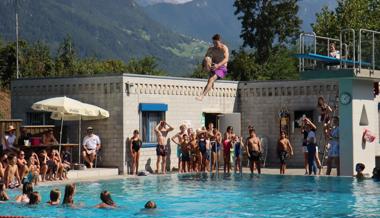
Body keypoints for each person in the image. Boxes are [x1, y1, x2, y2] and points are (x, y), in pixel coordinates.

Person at [196, 34, 229, 101]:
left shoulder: (224, 48)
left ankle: (202, 95)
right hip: (214, 66)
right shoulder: (211, 49)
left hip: (221, 68)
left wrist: (218, 65)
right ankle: (211, 77)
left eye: (216, 43)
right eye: (213, 43)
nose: (215, 45)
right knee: (207, 58)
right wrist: (203, 66)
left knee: (211, 80)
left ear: (220, 41)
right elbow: (205, 58)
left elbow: (226, 59)